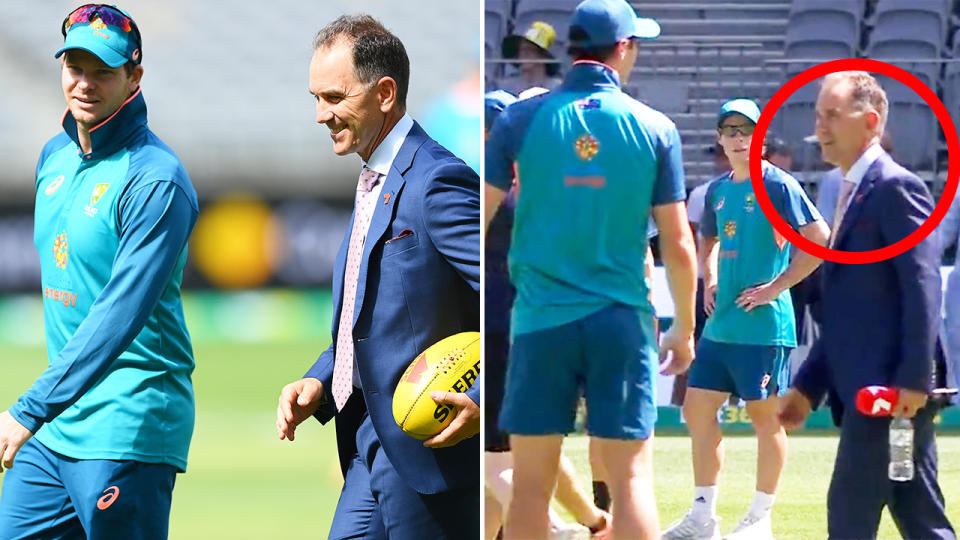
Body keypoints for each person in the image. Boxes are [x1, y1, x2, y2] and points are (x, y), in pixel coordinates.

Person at [485, 0, 698, 537]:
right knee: (631, 481)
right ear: (623, 48)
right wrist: (685, 329)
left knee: (531, 487)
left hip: (539, 322)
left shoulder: (519, 119)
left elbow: (474, 219)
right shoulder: (655, 127)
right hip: (620, 320)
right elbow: (676, 241)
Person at [274, 15, 480, 539]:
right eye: (315, 98)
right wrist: (321, 380)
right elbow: (369, 316)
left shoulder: (438, 181)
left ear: (384, 92)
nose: (321, 115)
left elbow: (513, 296)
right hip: (367, 439)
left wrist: (486, 396)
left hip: (430, 449)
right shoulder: (375, 177)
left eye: (334, 98)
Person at [0, 5, 199, 539]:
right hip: (58, 425)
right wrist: (43, 412)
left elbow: (119, 314)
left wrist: (27, 409)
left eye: (104, 71)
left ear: (134, 76)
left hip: (127, 425)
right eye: (75, 67)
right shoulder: (54, 157)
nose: (84, 83)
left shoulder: (157, 181)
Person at [779, 71, 955, 540]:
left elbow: (922, 287)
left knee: (849, 517)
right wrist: (808, 386)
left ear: (871, 121)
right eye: (818, 116)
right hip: (876, 394)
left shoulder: (896, 187)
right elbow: (848, 310)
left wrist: (915, 380)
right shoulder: (846, 190)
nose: (821, 127)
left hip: (890, 394)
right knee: (917, 510)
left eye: (833, 116)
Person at [664, 99, 829, 540]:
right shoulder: (718, 190)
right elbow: (709, 237)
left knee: (765, 419)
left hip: (763, 325)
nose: (739, 137)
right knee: (697, 411)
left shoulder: (778, 185)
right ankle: (703, 516)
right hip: (722, 326)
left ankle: (760, 519)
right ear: (719, 138)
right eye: (730, 130)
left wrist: (778, 287)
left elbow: (818, 238)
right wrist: (711, 277)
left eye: (747, 129)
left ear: (761, 138)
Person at [483, 89, 611, 540]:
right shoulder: (546, 190)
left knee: (494, 458)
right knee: (525, 449)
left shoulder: (489, 193)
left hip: (493, 333)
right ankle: (593, 523)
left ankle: (557, 530)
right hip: (533, 327)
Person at [500, 21, 564, 96]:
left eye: (530, 50)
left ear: (543, 56)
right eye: (521, 49)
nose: (523, 54)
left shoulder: (556, 88)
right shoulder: (507, 87)